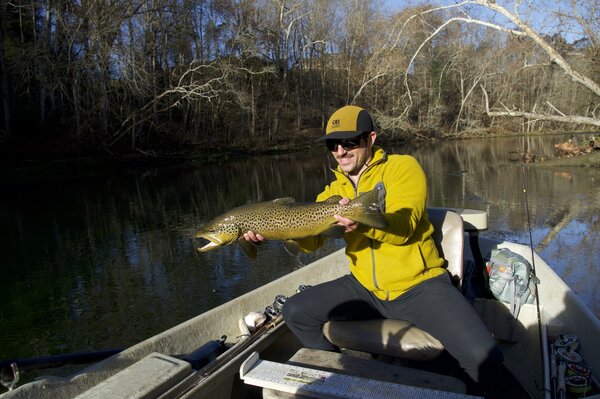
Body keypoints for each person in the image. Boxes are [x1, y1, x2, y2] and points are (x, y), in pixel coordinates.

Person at [243, 105, 503, 393]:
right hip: (364, 286)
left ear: (371, 138)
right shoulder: (332, 192)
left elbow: (404, 226)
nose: (341, 151)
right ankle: (337, 380)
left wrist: (362, 223)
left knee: (485, 358)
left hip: (420, 285)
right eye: (333, 144)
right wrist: (277, 232)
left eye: (350, 142)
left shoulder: (403, 168)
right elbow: (311, 242)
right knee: (296, 311)